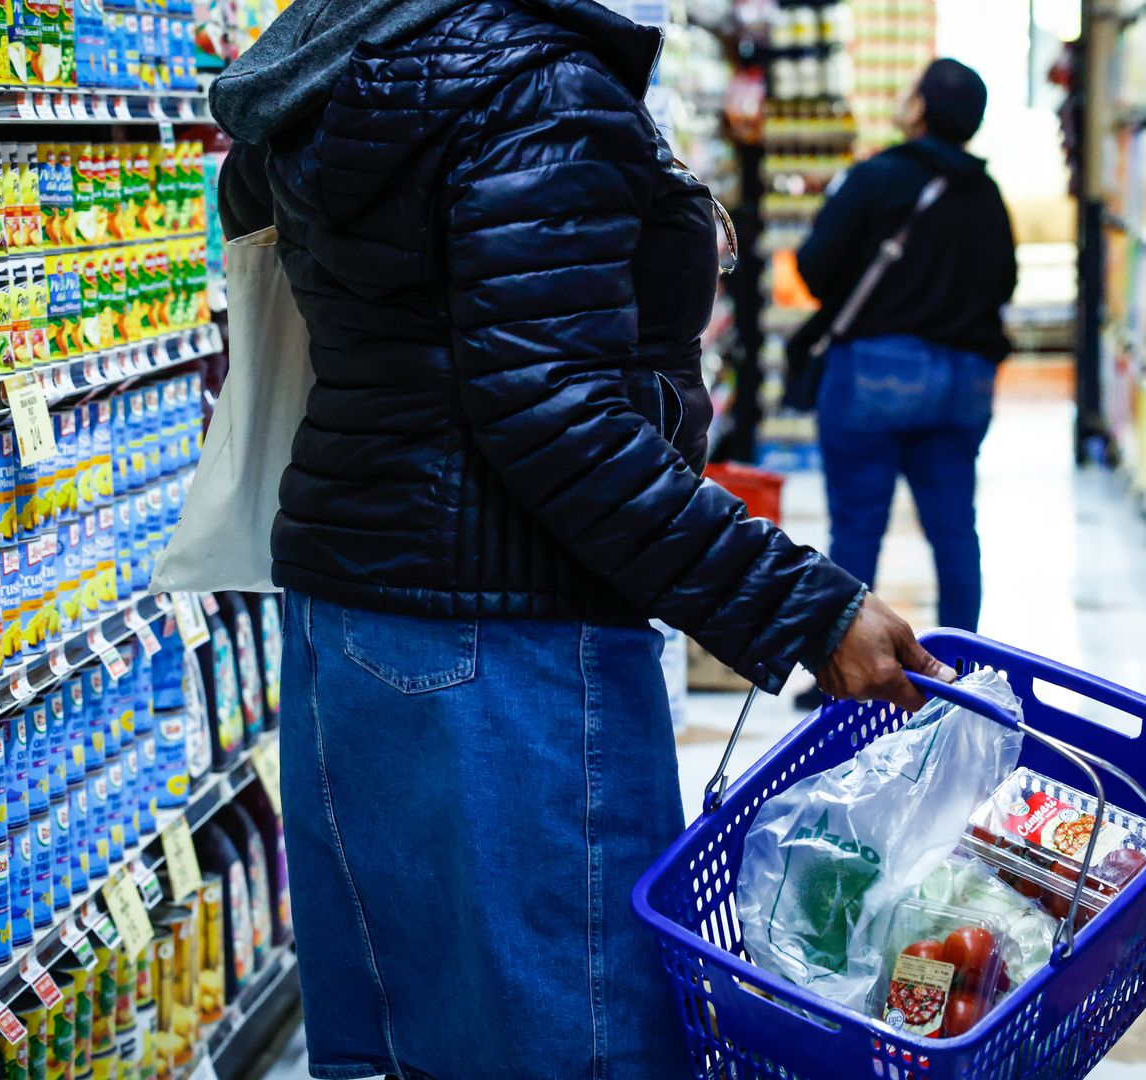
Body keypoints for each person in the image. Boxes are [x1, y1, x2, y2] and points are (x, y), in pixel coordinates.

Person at [208, 2, 952, 1078]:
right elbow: (557, 418)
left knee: (415, 1037)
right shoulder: (541, 88)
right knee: (579, 1043)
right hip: (507, 635)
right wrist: (806, 604)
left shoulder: (348, 55)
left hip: (353, 619)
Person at [789, 58, 1019, 638]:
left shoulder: (878, 177)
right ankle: (965, 669)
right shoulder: (986, 193)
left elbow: (816, 268)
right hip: (963, 379)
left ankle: (840, 666)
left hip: (874, 373)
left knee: (858, 528)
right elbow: (1004, 284)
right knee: (954, 530)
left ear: (918, 107)